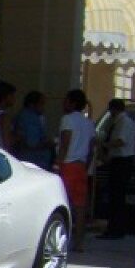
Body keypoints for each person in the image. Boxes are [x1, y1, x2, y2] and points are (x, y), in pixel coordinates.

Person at [55, 88, 97, 251]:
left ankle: (61, 239)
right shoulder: (88, 123)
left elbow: (65, 143)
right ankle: (79, 242)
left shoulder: (67, 119)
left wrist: (57, 164)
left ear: (72, 103)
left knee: (61, 202)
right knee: (80, 207)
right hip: (81, 166)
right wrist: (86, 165)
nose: (63, 103)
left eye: (66, 100)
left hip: (67, 165)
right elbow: (93, 147)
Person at [98, 98, 135, 239]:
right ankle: (114, 227)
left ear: (114, 109)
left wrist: (104, 144)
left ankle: (116, 229)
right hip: (117, 161)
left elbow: (120, 141)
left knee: (117, 197)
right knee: (115, 196)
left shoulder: (124, 122)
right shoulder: (117, 122)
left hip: (122, 162)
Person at [12, 91, 55, 169]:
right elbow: (32, 143)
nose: (43, 107)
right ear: (31, 104)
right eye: (41, 103)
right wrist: (49, 143)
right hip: (34, 161)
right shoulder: (29, 118)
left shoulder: (34, 117)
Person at [0, 80, 17, 149]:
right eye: (12, 95)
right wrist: (19, 136)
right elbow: (7, 143)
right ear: (6, 97)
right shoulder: (4, 117)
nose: (14, 98)